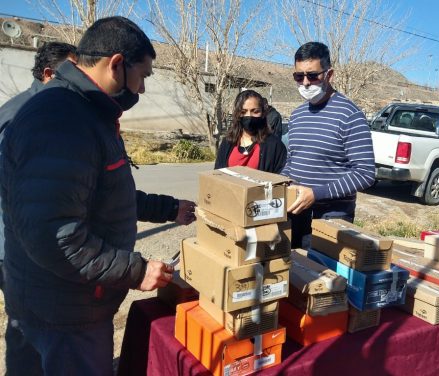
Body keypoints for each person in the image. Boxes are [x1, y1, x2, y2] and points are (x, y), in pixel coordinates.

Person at [0, 16, 182, 375]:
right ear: (116, 63)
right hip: (67, 311)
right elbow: (56, 237)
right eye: (143, 75)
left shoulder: (81, 111)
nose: (142, 89)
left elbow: (105, 195)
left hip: (50, 298)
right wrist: (136, 270)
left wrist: (169, 208)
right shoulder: (63, 118)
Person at [0, 41, 77, 376]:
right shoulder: (24, 117)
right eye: (73, 75)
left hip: (32, 245)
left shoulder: (47, 111)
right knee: (26, 332)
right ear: (48, 74)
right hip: (21, 248)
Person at [282, 42, 375, 248]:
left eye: (312, 75)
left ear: (329, 74)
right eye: (299, 76)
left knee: (325, 278)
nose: (305, 83)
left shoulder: (350, 115)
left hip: (331, 219)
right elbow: (292, 160)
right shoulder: (297, 115)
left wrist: (316, 194)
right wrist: (282, 181)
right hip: (294, 214)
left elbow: (365, 173)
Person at [215, 90, 287, 174]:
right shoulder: (227, 142)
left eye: (255, 111)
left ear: (263, 113)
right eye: (243, 112)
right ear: (237, 115)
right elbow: (217, 175)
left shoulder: (275, 145)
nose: (249, 116)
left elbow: (280, 180)